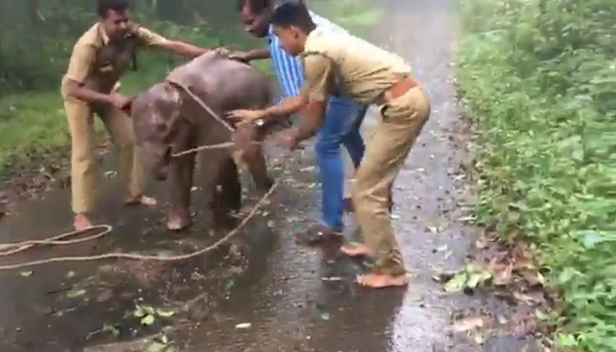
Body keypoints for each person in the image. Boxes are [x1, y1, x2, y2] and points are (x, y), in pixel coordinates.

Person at [251, 2, 431, 288]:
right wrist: (265, 118)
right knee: (372, 184)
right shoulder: (323, 41)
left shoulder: (316, 54)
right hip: (403, 103)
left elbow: (315, 116)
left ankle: (392, 271)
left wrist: (296, 137)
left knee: (365, 191)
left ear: (294, 32)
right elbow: (302, 99)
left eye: (280, 36)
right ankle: (376, 245)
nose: (280, 46)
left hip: (404, 108)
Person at [62, 0, 223, 231]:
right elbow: (72, 88)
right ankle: (80, 214)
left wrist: (210, 55)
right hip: (80, 98)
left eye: (126, 19)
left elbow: (172, 46)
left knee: (130, 140)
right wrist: (111, 100)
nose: (124, 25)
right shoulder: (88, 45)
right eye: (117, 21)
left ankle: (134, 194)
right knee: (84, 153)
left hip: (107, 92)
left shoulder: (133, 34)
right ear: (103, 21)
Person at [227, 0, 367, 244]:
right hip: (359, 77)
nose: (247, 30)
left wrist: (292, 131)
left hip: (346, 88)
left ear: (268, 13)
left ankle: (331, 224)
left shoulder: (285, 39)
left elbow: (301, 101)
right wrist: (252, 55)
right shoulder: (298, 18)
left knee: (326, 146)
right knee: (349, 133)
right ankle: (372, 192)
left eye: (251, 22)